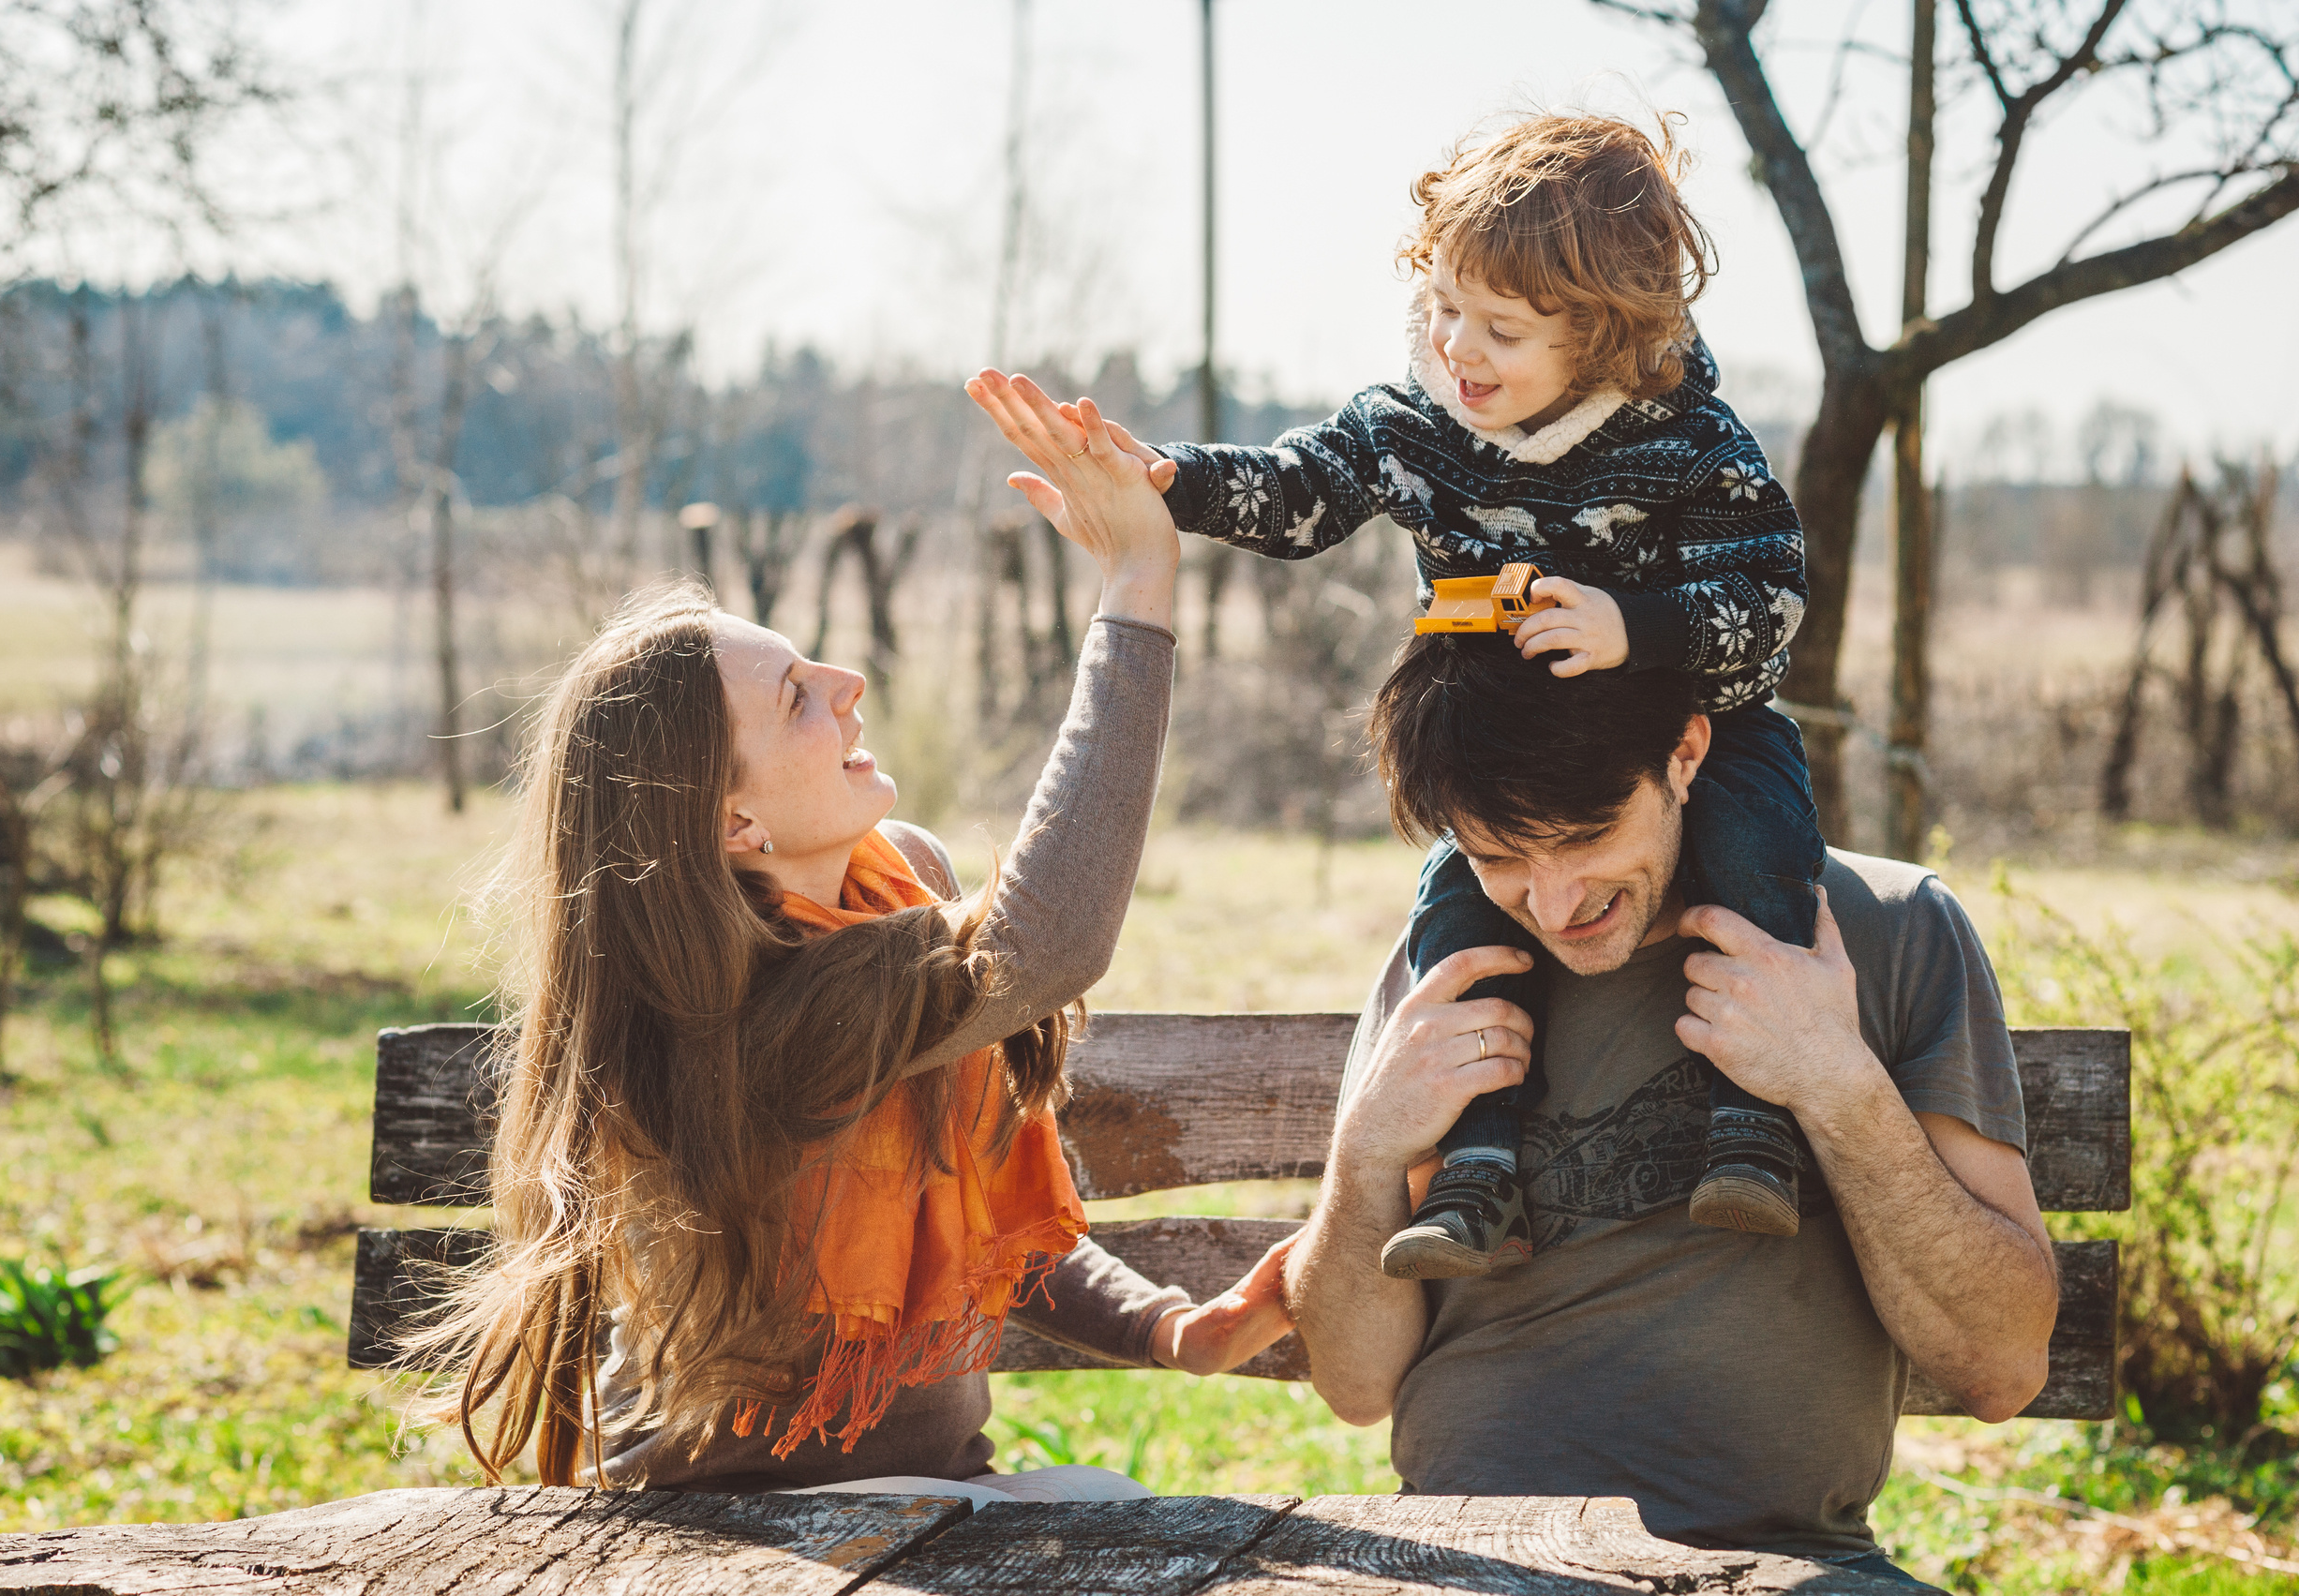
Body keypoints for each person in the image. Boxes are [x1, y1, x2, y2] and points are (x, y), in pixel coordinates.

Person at [412, 376, 1293, 1508]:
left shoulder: (899, 882)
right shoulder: (729, 1013)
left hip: (933, 1497)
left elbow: (979, 1211)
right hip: (720, 1530)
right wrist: (1136, 586)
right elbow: (1045, 944)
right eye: (794, 698)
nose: (847, 682)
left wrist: (1173, 1327)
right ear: (734, 824)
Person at [1098, 112, 1823, 1275]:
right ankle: (1478, 1165)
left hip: (1686, 727)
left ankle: (1755, 1124)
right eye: (1442, 309)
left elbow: (1772, 599)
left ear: (1604, 336)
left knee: (1756, 850)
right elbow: (1300, 494)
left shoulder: (1688, 443)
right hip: (1499, 750)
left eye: (1503, 330)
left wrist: (1635, 627)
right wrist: (1167, 479)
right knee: (1455, 913)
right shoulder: (1413, 426)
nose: (1460, 351)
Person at [1286, 631, 2057, 1586]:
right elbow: (1354, 1385)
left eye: (1586, 834)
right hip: (1461, 1556)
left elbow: (2001, 1363)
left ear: (1683, 753)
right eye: (1498, 856)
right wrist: (1365, 1148)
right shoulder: (1447, 965)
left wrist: (1830, 1076)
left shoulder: (1888, 928)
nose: (1554, 901)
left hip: (1779, 1566)